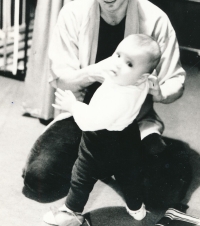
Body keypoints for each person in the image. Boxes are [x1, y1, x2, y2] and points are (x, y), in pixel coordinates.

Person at [23, 0, 185, 201]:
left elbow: (175, 81)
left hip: (131, 119)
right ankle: (100, 161)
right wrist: (93, 71)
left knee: (161, 187)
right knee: (39, 180)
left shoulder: (155, 19)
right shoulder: (72, 15)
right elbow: (61, 77)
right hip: (85, 117)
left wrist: (156, 90)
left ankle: (107, 160)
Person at [43, 34, 161, 225]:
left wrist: (73, 106)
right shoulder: (138, 81)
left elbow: (92, 121)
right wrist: (151, 82)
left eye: (129, 63)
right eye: (117, 55)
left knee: (81, 175)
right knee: (129, 174)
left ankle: (71, 212)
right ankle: (136, 207)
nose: (117, 64)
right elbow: (147, 79)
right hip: (128, 135)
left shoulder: (121, 98)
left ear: (142, 75)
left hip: (100, 139)